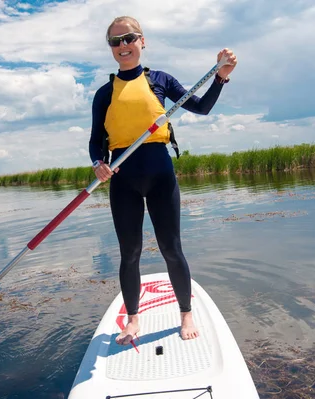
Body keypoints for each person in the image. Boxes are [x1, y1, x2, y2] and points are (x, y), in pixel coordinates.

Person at [88, 16, 237, 345]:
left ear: (142, 41)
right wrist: (98, 163)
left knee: (171, 248)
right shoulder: (104, 94)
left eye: (129, 38)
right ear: (111, 48)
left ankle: (185, 313)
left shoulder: (160, 80)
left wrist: (220, 78)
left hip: (160, 176)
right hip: (123, 180)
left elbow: (201, 107)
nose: (123, 46)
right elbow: (96, 140)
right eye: (115, 41)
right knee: (130, 253)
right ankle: (132, 320)